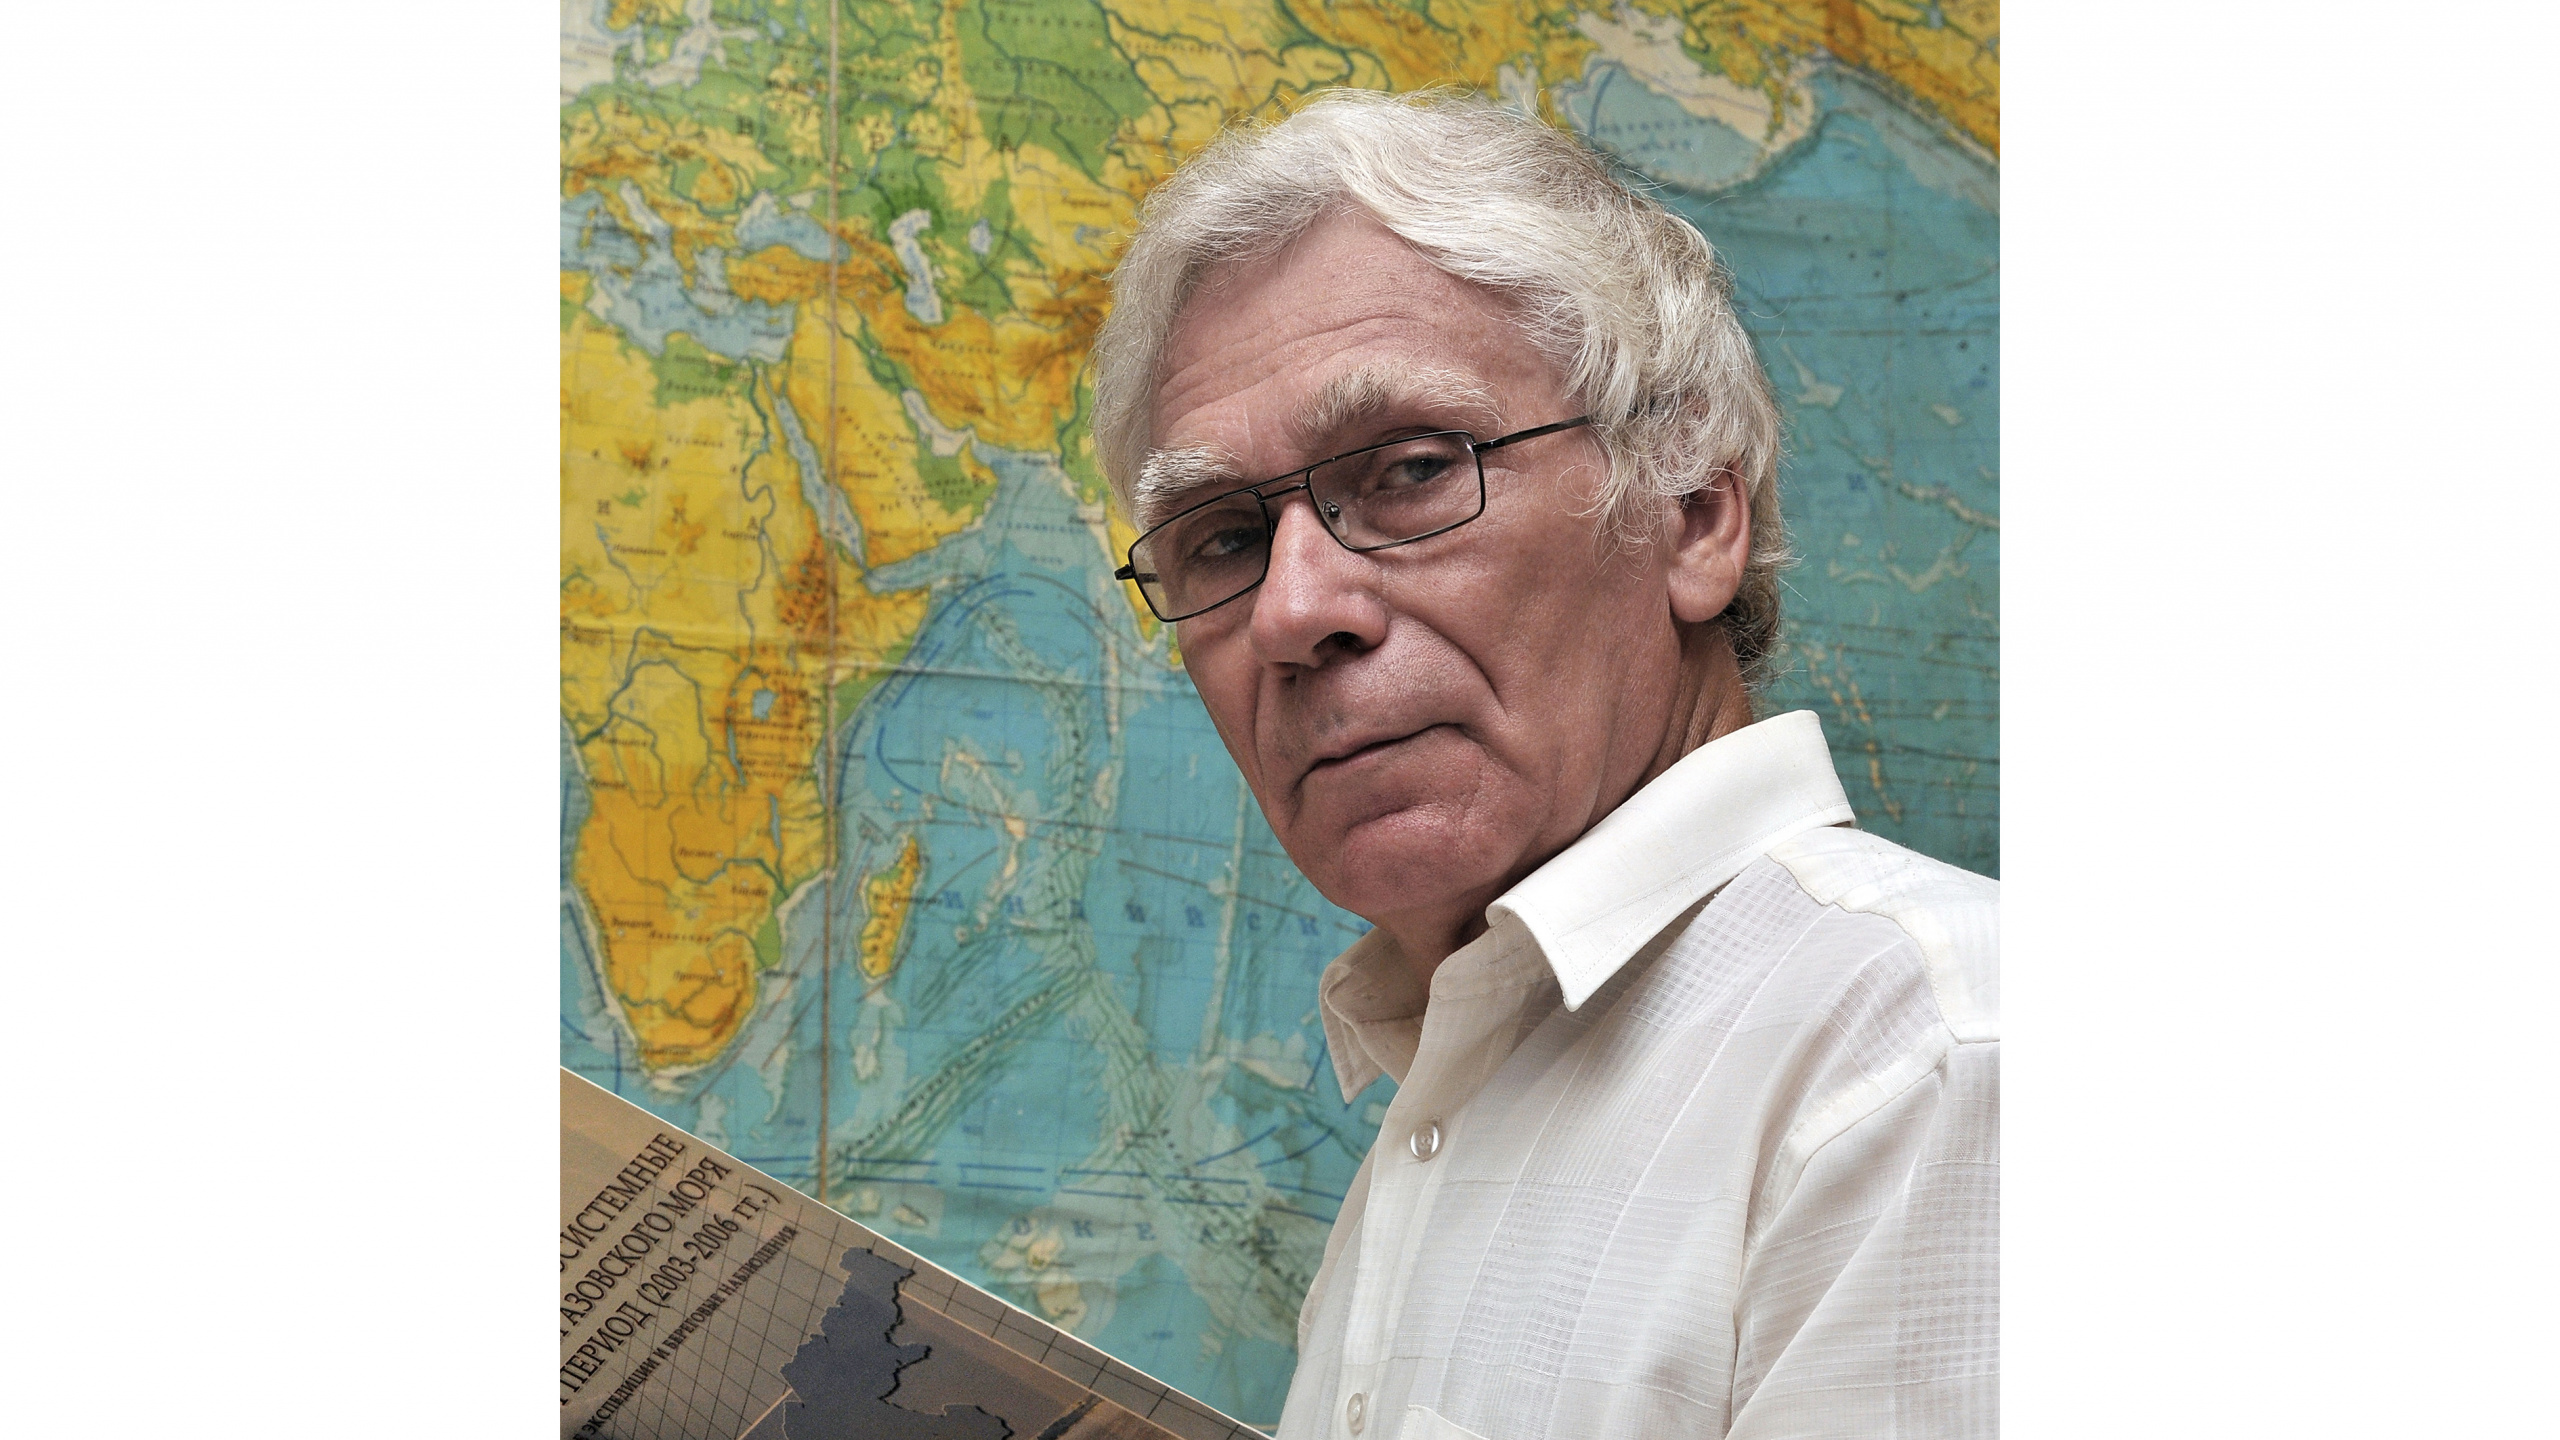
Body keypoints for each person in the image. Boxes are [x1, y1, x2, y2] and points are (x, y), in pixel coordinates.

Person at [1089, 88, 1997, 1440]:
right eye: (1220, 539)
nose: (1291, 609)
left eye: (1409, 470)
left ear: (1693, 514)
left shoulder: (1930, 1059)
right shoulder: (1455, 1097)